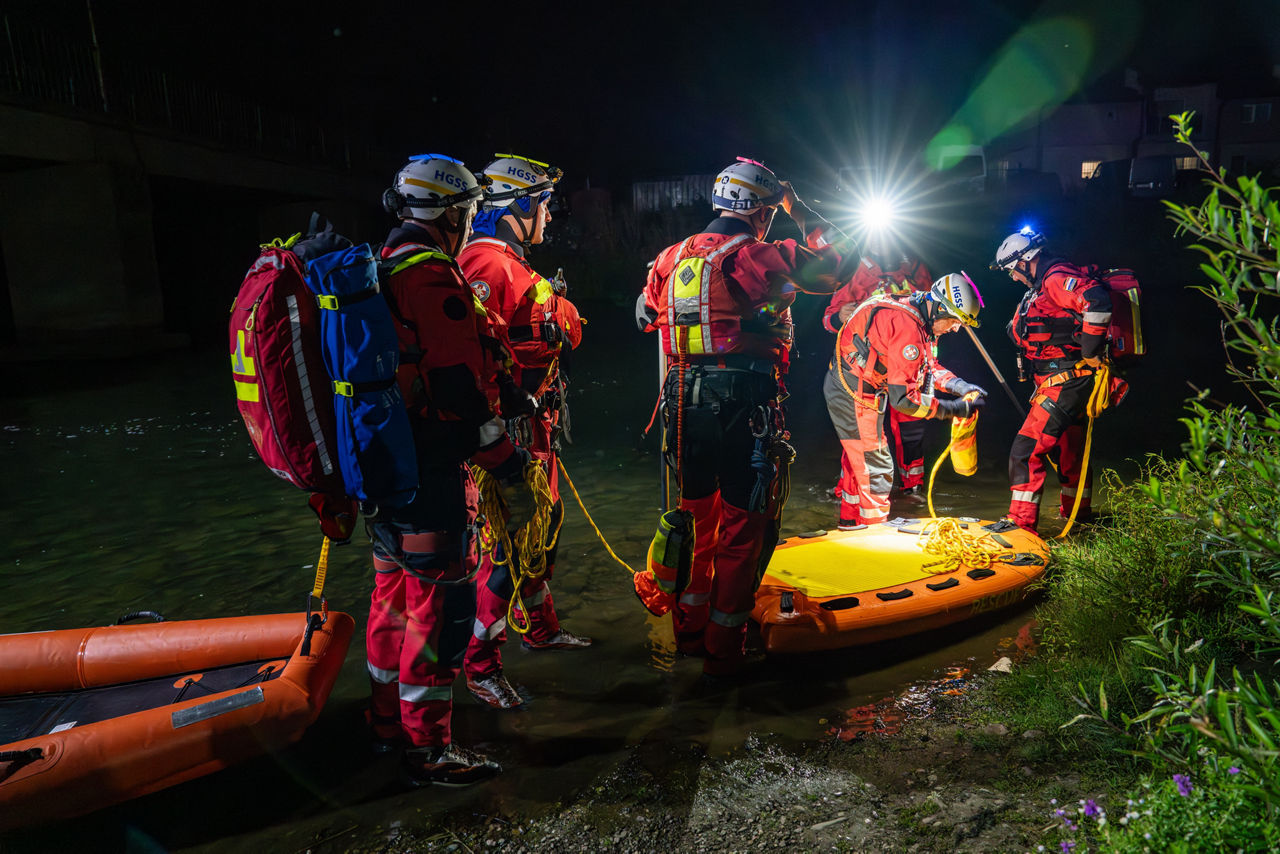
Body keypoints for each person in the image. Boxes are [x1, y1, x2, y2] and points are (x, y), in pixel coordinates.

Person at [636, 157, 845, 676]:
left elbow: (644, 314)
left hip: (682, 403)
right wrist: (802, 209)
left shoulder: (669, 257)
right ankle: (724, 651)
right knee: (742, 528)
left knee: (695, 518)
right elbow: (838, 262)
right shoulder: (759, 255)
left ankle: (688, 631)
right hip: (742, 402)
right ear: (763, 213)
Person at [366, 153, 536, 786]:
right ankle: (428, 749)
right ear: (451, 213)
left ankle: (385, 727)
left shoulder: (382, 265)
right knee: (438, 612)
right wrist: (505, 458)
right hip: (431, 469)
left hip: (382, 467)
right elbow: (456, 389)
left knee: (390, 604)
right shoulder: (432, 276)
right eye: (466, 212)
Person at [457, 153, 590, 711]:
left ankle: (540, 626)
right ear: (518, 207)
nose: (550, 217)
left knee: (542, 528)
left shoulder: (499, 263)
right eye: (544, 205)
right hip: (508, 435)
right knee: (505, 549)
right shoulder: (491, 268)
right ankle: (481, 664)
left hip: (533, 427)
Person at [824, 273, 988, 528]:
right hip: (854, 389)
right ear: (940, 308)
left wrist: (959, 385)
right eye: (955, 321)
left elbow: (928, 365)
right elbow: (905, 401)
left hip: (859, 384)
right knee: (876, 468)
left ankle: (850, 525)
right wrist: (954, 409)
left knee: (858, 462)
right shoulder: (907, 325)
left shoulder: (917, 312)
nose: (956, 328)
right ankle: (874, 537)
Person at [990, 228, 1112, 532]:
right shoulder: (1043, 284)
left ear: (1024, 261)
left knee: (1026, 450)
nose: (1013, 278)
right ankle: (1078, 516)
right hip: (1066, 380)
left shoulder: (1056, 278)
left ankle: (1021, 526)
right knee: (1070, 452)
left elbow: (1096, 301)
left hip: (1067, 381)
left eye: (1012, 272)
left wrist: (1092, 351)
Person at [821, 240, 935, 510]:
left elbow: (935, 310)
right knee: (863, 437)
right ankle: (853, 495)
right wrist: (840, 316)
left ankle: (912, 487)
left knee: (911, 426)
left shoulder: (915, 268)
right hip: (869, 370)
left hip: (908, 364)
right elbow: (828, 320)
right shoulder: (856, 271)